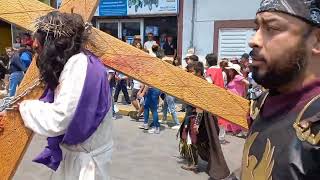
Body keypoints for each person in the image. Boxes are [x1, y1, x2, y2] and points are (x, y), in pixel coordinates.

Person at [5, 12, 113, 179]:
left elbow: (59, 118)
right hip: (79, 158)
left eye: (38, 48)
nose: (37, 55)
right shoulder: (81, 62)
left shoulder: (78, 65)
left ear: (52, 46)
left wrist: (25, 107)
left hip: (85, 167)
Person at [239, 1, 320, 179]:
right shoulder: (263, 101)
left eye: (272, 28)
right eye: (257, 29)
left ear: (317, 41)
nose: (253, 40)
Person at [178, 61, 232, 179]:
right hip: (195, 116)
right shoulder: (198, 82)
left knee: (191, 139)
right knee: (197, 139)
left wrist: (197, 123)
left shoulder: (200, 84)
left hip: (198, 117)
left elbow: (200, 107)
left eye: (191, 71)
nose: (189, 73)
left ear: (198, 72)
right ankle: (205, 160)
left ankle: (194, 164)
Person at [220, 63, 249, 136]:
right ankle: (234, 130)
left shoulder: (237, 77)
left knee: (235, 115)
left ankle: (238, 130)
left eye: (230, 70)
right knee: (232, 114)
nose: (229, 72)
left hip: (235, 99)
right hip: (232, 99)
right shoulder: (234, 78)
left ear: (234, 71)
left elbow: (247, 83)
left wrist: (244, 92)